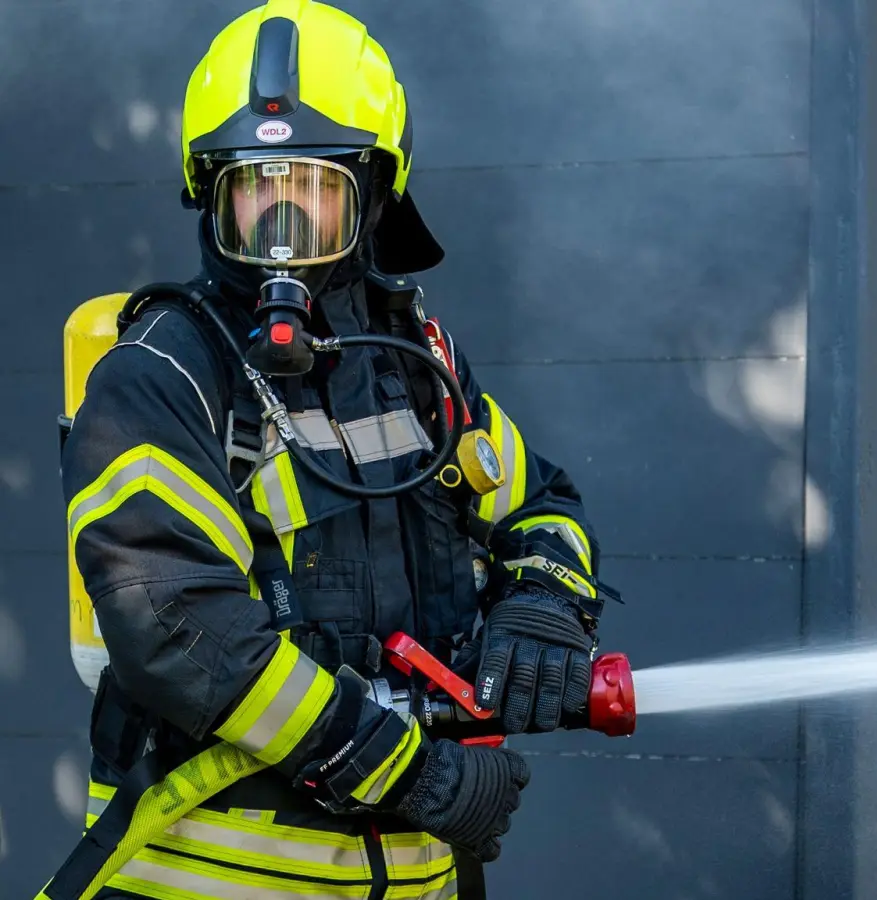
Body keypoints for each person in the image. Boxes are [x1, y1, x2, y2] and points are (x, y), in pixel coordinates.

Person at [41, 1, 618, 898]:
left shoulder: (419, 366)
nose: (281, 224)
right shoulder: (161, 374)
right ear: (212, 196)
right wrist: (412, 773)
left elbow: (541, 506)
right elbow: (179, 628)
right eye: (253, 187)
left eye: (311, 187)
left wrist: (544, 606)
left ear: (374, 195)